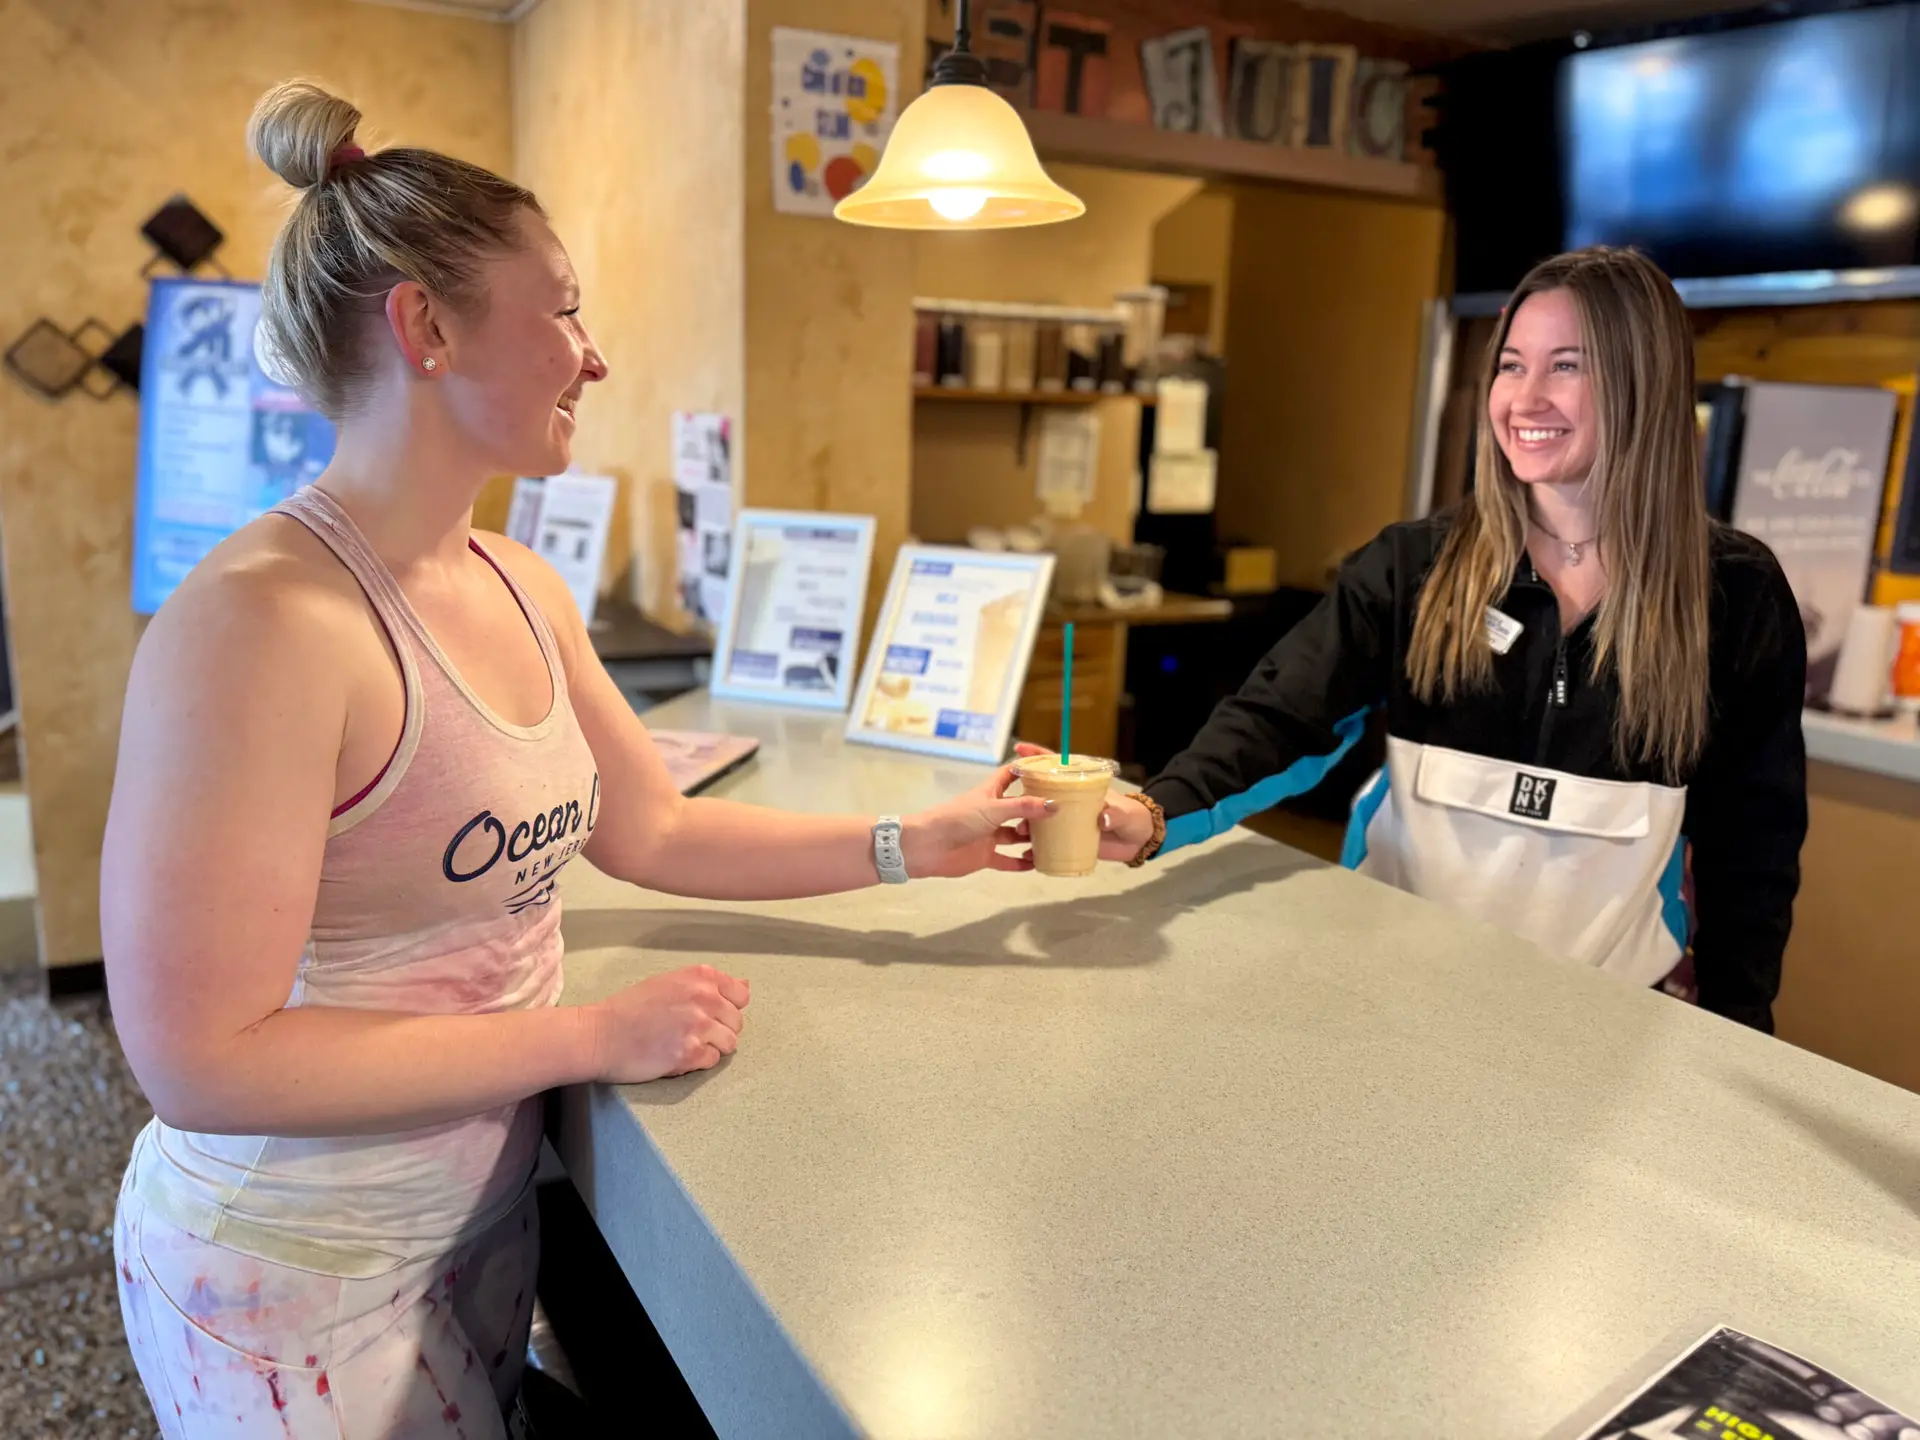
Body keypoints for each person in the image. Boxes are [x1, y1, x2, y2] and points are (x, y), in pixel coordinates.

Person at [103, 82, 1048, 1440]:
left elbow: (652, 828)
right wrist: (592, 1036)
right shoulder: (259, 624)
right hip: (292, 1272)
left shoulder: (521, 580)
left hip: (476, 1223)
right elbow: (204, 1058)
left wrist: (917, 841)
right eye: (561, 310)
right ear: (424, 327)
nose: (593, 356)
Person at [1076, 247, 1807, 1034]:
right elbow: (1281, 718)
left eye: (1566, 366)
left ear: (1645, 383)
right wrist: (1157, 812)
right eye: (1511, 366)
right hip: (1388, 1006)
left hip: (1599, 1029)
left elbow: (1752, 851)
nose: (1525, 399)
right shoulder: (1414, 565)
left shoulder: (1733, 593)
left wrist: (1739, 1032)